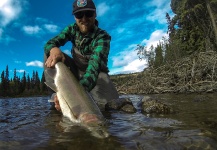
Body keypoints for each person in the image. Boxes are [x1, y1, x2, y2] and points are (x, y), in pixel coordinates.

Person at [44, 0, 119, 111]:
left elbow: (94, 68)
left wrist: (74, 94)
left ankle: (67, 100)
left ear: (95, 14)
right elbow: (49, 43)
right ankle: (56, 97)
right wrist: (54, 49)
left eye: (88, 13)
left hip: (96, 75)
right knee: (50, 55)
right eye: (79, 14)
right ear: (75, 17)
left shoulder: (102, 37)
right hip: (75, 71)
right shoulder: (71, 29)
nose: (84, 19)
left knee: (105, 108)